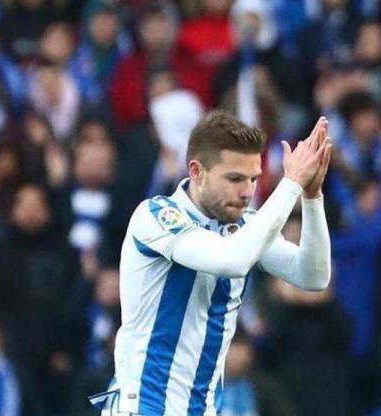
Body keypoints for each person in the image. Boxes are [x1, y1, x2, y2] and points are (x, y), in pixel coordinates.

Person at [90, 111, 332, 415]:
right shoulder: (157, 217)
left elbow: (313, 276)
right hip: (144, 407)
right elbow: (230, 260)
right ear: (196, 171)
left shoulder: (245, 227)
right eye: (234, 178)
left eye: (253, 179)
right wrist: (291, 183)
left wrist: (312, 197)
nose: (247, 192)